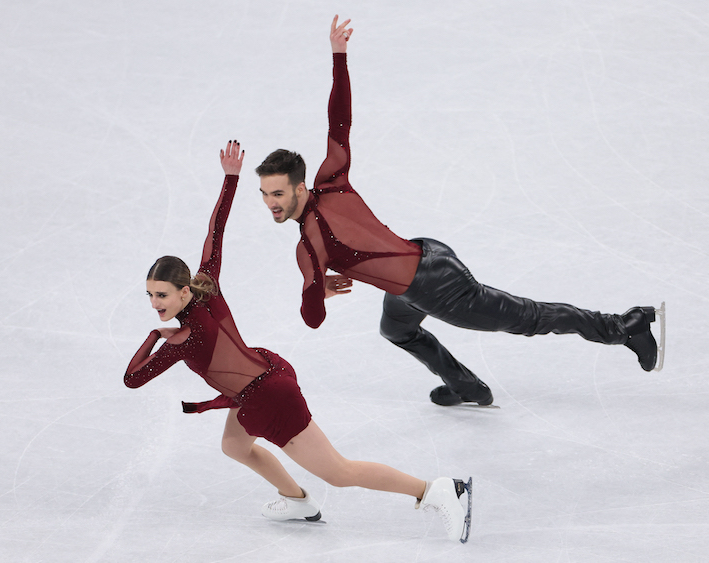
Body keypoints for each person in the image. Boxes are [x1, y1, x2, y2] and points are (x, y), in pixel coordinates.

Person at [255, 16, 665, 407]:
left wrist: (316, 288)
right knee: (396, 329)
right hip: (426, 256)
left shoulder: (310, 246)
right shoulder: (333, 180)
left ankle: (623, 327)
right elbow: (338, 124)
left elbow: (312, 319)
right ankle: (465, 385)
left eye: (277, 193)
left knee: (529, 317)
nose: (271, 203)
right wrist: (338, 55)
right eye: (264, 194)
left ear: (300, 187)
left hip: (435, 287)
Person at [124, 141, 473, 542]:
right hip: (262, 375)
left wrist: (154, 336)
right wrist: (230, 178)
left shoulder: (181, 337)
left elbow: (133, 378)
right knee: (235, 446)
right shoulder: (207, 284)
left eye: (162, 295)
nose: (155, 304)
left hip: (269, 397)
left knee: (339, 472)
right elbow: (215, 230)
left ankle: (438, 490)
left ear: (184, 291)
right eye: (150, 296)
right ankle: (297, 500)